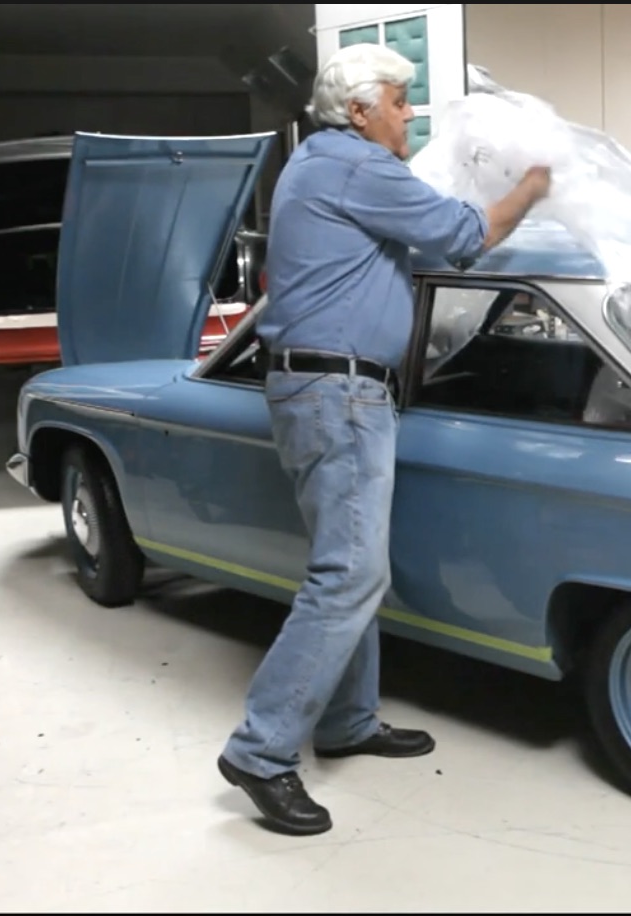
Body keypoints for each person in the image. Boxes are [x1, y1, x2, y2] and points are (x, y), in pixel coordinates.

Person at [216, 42, 552, 836]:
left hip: (325, 388)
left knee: (353, 568)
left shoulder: (320, 163)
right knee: (347, 574)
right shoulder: (357, 167)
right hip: (338, 392)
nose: (408, 115)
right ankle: (261, 751)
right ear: (360, 109)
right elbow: (464, 235)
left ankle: (347, 720)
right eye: (400, 102)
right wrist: (534, 186)